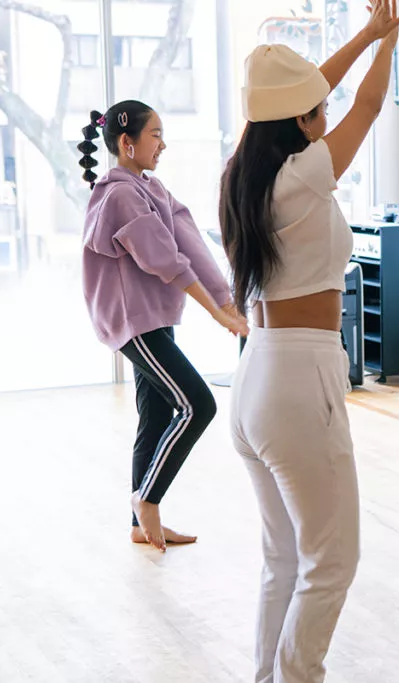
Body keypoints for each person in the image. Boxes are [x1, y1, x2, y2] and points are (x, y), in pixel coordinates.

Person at [219, 1, 399, 680]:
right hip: (300, 380)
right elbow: (370, 103)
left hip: (256, 379)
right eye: (315, 107)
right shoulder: (304, 173)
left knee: (284, 558)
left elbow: (305, 98)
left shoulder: (243, 176)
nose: (325, 109)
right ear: (299, 120)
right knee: (332, 560)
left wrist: (367, 32)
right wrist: (385, 46)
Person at [79, 101, 249, 552]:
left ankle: (139, 523)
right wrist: (216, 313)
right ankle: (147, 499)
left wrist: (226, 299)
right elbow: (165, 260)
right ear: (126, 142)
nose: (163, 144)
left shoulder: (152, 188)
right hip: (133, 323)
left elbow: (189, 243)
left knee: (155, 415)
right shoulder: (119, 196)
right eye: (155, 135)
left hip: (153, 317)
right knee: (197, 405)